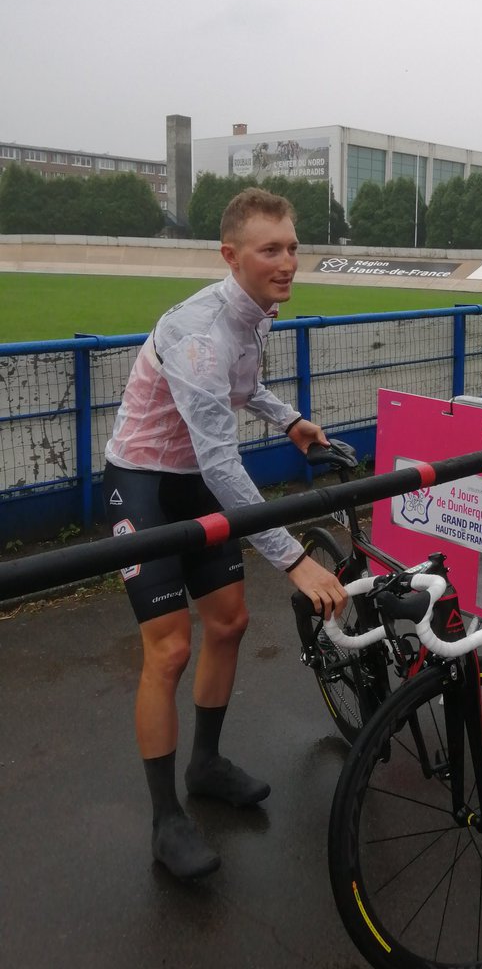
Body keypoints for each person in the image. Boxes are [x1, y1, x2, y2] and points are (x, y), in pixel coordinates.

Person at [103, 187, 347, 881]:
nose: (289, 262)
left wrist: (287, 417)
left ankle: (205, 764)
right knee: (171, 648)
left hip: (195, 476)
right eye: (271, 250)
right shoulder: (199, 331)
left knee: (232, 622)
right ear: (230, 256)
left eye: (293, 247)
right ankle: (164, 819)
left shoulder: (254, 313)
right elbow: (218, 457)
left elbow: (239, 388)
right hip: (146, 482)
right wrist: (294, 559)